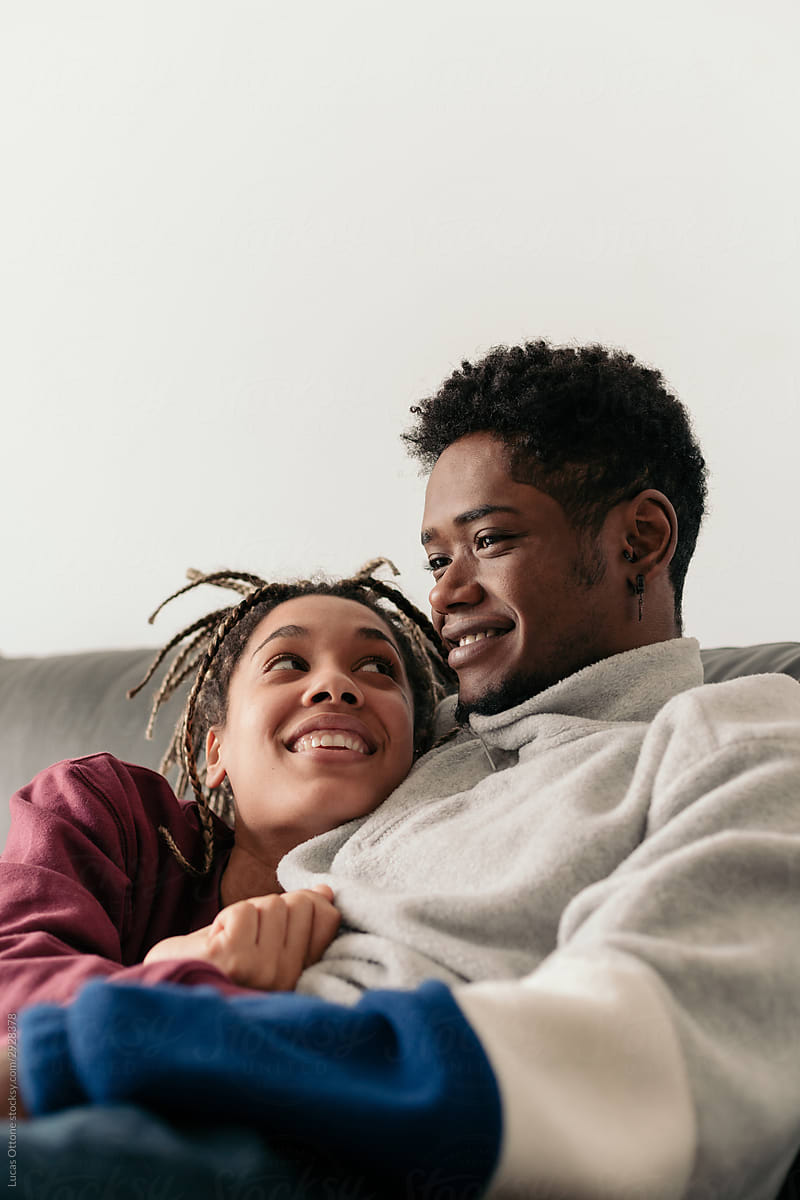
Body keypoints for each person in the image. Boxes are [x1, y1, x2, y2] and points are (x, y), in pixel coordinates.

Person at [7, 341, 800, 1200]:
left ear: (640, 540)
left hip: (322, 1149)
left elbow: (651, 1073)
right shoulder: (429, 748)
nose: (445, 594)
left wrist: (144, 1035)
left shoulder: (743, 733)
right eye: (434, 560)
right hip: (174, 1103)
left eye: (488, 540)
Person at [0, 562, 451, 1013]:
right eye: (288, 663)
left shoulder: (441, 893)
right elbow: (14, 1015)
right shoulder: (98, 809)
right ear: (216, 751)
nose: (335, 684)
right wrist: (184, 971)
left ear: (417, 743)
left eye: (377, 667)